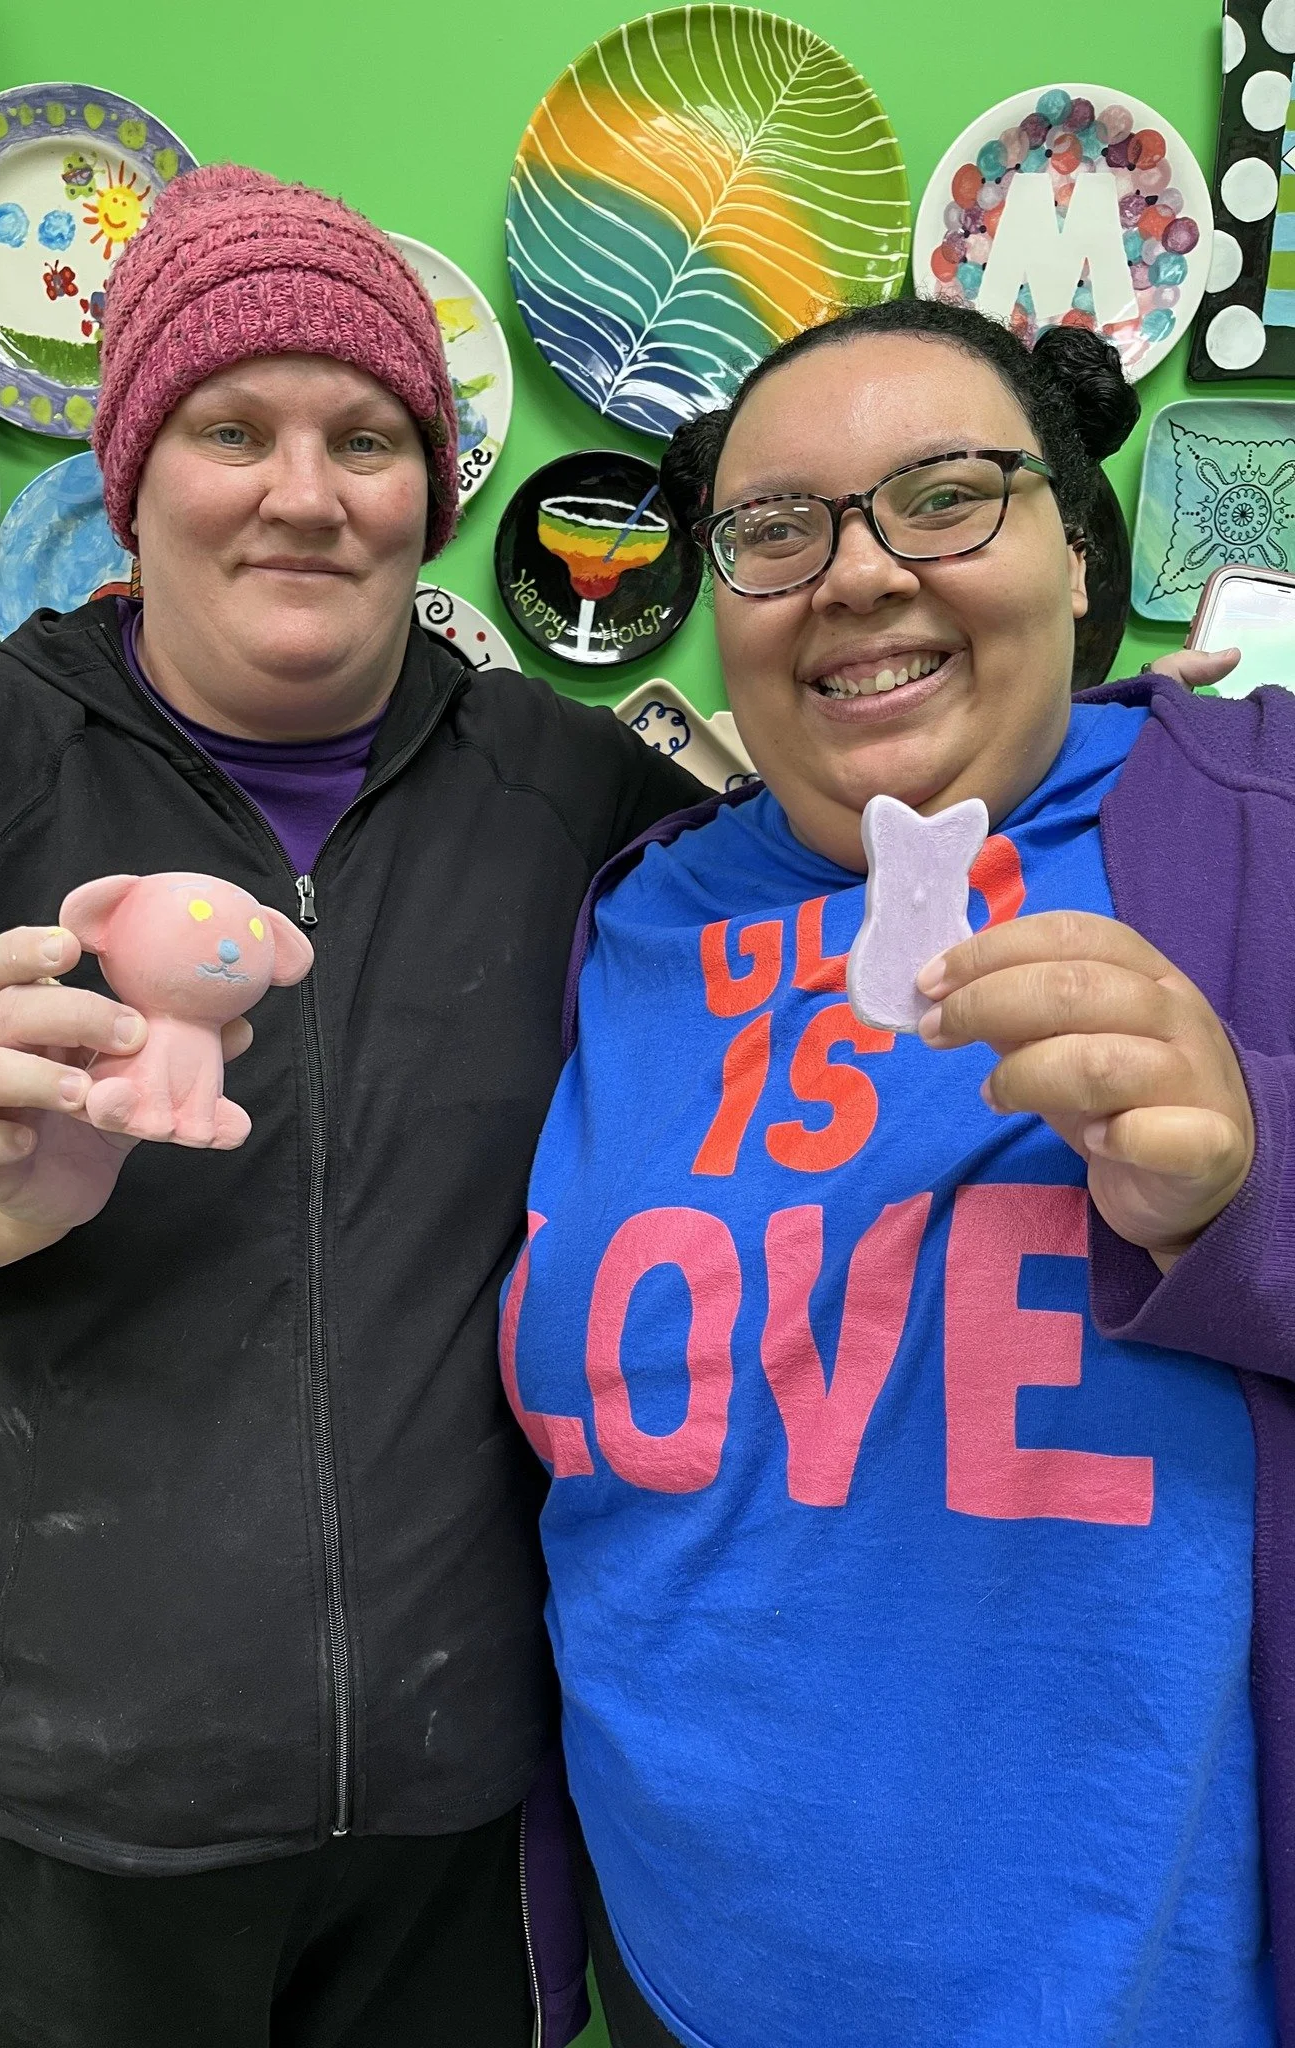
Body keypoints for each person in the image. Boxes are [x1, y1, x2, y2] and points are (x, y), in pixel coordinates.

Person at [0, 165, 702, 2047]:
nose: (303, 490)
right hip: (62, 1799)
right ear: (132, 471)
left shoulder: (575, 797)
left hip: (464, 1778)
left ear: (431, 491)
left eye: (368, 436)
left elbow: (801, 958)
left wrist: (1150, 759)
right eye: (231, 426)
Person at [502, 296, 1295, 2048]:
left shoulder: (1260, 819)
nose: (857, 577)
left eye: (948, 494)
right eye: (775, 532)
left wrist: (1252, 1190)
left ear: (1081, 553)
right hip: (683, 1988)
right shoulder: (629, 914)